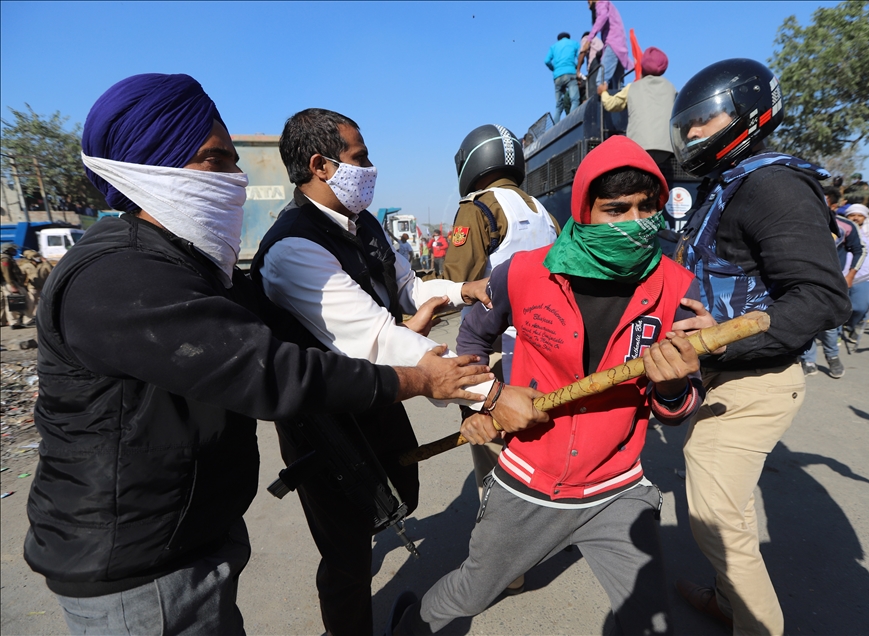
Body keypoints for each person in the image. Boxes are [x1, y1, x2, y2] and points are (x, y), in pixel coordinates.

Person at [25, 73, 492, 636]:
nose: (237, 178)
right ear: (152, 167)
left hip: (190, 537)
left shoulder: (191, 264)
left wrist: (428, 319)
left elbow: (297, 334)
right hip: (136, 565)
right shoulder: (121, 276)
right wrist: (425, 380)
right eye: (216, 160)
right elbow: (271, 370)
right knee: (346, 554)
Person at [390, 135, 704, 636]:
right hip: (528, 484)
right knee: (475, 587)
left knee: (651, 623)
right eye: (616, 210)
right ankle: (411, 625)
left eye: (648, 208)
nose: (635, 223)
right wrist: (475, 411)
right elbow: (473, 334)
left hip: (616, 487)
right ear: (583, 209)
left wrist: (672, 386)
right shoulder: (524, 272)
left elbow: (679, 406)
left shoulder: (678, 289)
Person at [251, 108, 547, 636]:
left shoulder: (361, 222)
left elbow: (410, 287)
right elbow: (379, 337)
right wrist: (490, 393)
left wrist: (464, 290)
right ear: (320, 165)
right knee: (344, 553)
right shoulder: (293, 247)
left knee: (396, 495)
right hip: (327, 418)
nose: (372, 168)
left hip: (379, 395)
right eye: (359, 157)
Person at [668, 59, 851, 634]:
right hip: (725, 374)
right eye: (687, 125)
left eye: (704, 120)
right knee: (731, 505)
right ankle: (728, 600)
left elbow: (821, 298)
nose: (693, 135)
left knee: (714, 514)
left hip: (757, 379)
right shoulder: (729, 184)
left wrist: (716, 343)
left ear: (746, 115)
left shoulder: (772, 185)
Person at [444, 123, 560, 595]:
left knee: (493, 454)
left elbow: (459, 280)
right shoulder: (544, 211)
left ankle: (507, 566)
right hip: (547, 346)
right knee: (541, 445)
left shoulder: (478, 208)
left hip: (497, 347)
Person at [800, 188, 866, 377]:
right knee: (805, 320)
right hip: (804, 279)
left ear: (834, 206)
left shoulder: (845, 226)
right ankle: (808, 360)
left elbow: (861, 250)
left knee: (829, 323)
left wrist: (850, 275)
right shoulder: (800, 221)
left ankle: (833, 357)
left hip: (832, 282)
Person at [598, 47, 678, 186]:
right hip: (666, 149)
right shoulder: (671, 89)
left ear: (643, 66)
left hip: (639, 148)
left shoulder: (633, 87)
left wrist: (603, 93)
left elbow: (611, 105)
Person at [842, 204, 869, 343]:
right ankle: (834, 334)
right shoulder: (840, 231)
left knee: (861, 306)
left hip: (863, 276)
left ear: (865, 217)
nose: (855, 218)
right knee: (838, 307)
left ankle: (850, 325)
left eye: (859, 215)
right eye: (852, 215)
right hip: (840, 275)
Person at [584, 0, 631, 91]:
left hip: (612, 45)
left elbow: (602, 17)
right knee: (617, 84)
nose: (588, 4)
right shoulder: (608, 4)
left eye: (588, 1)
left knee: (601, 81)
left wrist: (588, 40)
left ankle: (604, 104)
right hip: (620, 47)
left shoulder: (601, 3)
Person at [544, 32, 581, 123]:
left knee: (558, 105)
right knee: (575, 100)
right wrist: (576, 66)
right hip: (570, 74)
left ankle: (555, 128)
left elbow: (546, 61)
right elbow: (580, 56)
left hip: (557, 77)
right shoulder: (574, 43)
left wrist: (554, 69)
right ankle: (571, 121)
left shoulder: (553, 47)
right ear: (568, 37)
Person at [1, 243, 33, 328]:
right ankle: (25, 321)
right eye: (12, 249)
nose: (14, 251)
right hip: (11, 283)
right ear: (7, 250)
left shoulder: (8, 258)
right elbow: (6, 274)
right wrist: (12, 285)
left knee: (12, 303)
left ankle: (15, 322)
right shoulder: (5, 259)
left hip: (12, 283)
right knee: (22, 301)